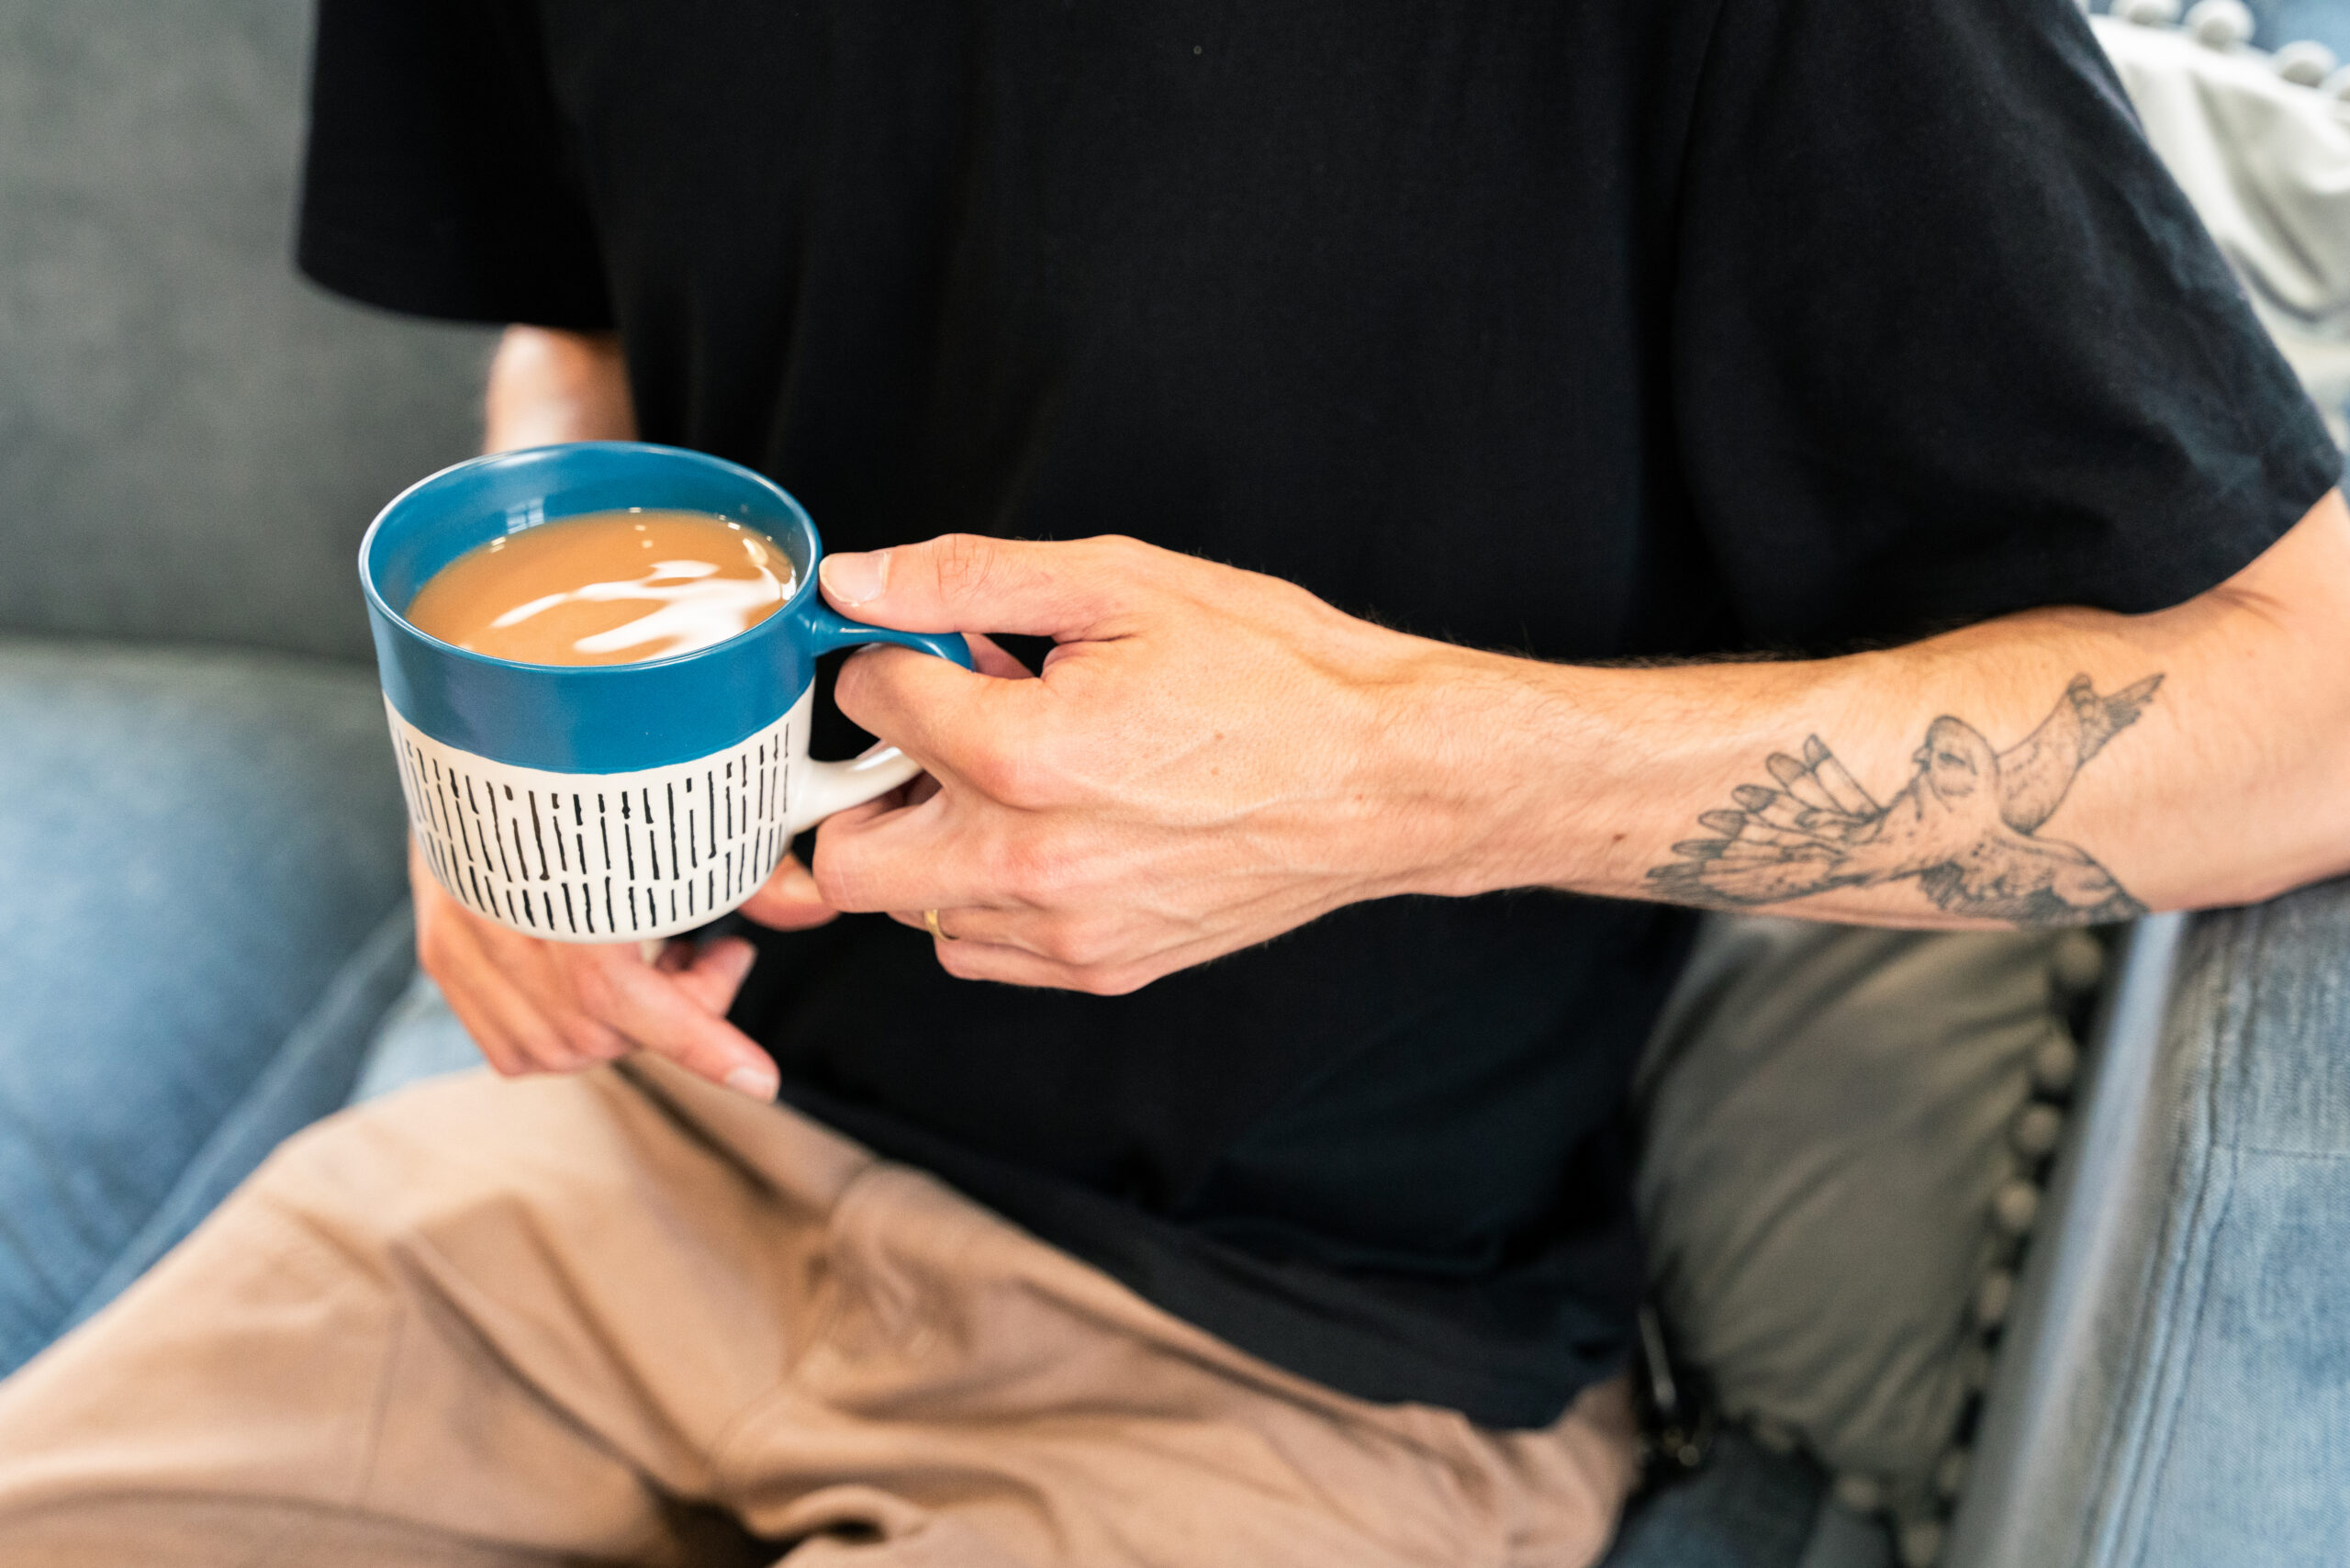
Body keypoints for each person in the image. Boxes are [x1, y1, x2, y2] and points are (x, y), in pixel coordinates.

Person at [2, 0, 2347, 1563]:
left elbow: (2307, 697)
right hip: (631, 1152)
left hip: (1298, 1353)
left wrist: (1401, 780)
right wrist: (511, 764)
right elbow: (573, 322)